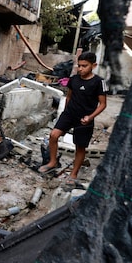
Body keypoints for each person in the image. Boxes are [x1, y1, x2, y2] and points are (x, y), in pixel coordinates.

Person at [38, 52, 107, 186]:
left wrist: (90, 117)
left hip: (85, 118)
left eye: (84, 66)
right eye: (79, 66)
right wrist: (66, 112)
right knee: (53, 135)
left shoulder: (99, 82)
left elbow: (103, 104)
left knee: (80, 147)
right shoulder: (74, 79)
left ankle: (73, 174)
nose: (80, 69)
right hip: (69, 114)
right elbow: (69, 96)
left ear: (94, 65)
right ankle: (52, 162)